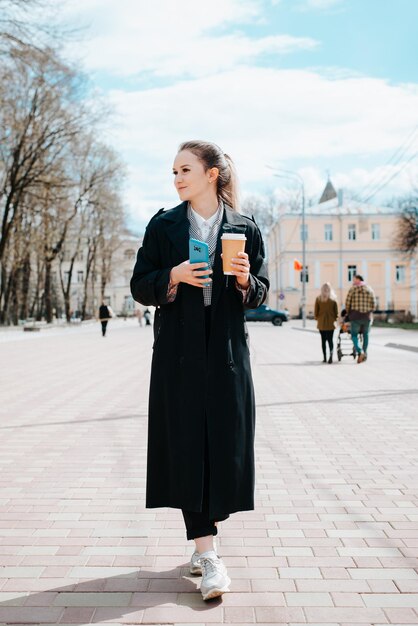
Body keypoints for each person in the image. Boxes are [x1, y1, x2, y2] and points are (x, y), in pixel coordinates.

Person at [130, 140, 269, 601]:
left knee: (224, 449)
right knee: (188, 446)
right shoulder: (164, 225)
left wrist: (247, 280)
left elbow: (260, 293)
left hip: (227, 355)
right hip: (179, 357)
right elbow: (139, 286)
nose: (176, 178)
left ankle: (204, 535)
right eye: (173, 171)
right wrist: (173, 277)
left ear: (212, 173)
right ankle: (208, 554)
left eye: (185, 169)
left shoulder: (245, 228)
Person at [345, 274, 376, 363]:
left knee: (354, 335)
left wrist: (348, 312)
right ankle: (365, 353)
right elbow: (374, 303)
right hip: (367, 316)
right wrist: (370, 311)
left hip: (355, 316)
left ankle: (360, 351)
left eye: (354, 279)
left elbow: (347, 303)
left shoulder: (352, 289)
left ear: (358, 280)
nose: (353, 281)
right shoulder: (369, 289)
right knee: (366, 335)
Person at [314, 282, 338, 363]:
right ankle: (330, 356)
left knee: (323, 340)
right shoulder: (333, 299)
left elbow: (316, 312)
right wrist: (335, 319)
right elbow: (336, 313)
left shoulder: (318, 299)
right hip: (331, 323)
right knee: (330, 340)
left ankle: (324, 357)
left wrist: (317, 318)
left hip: (321, 323)